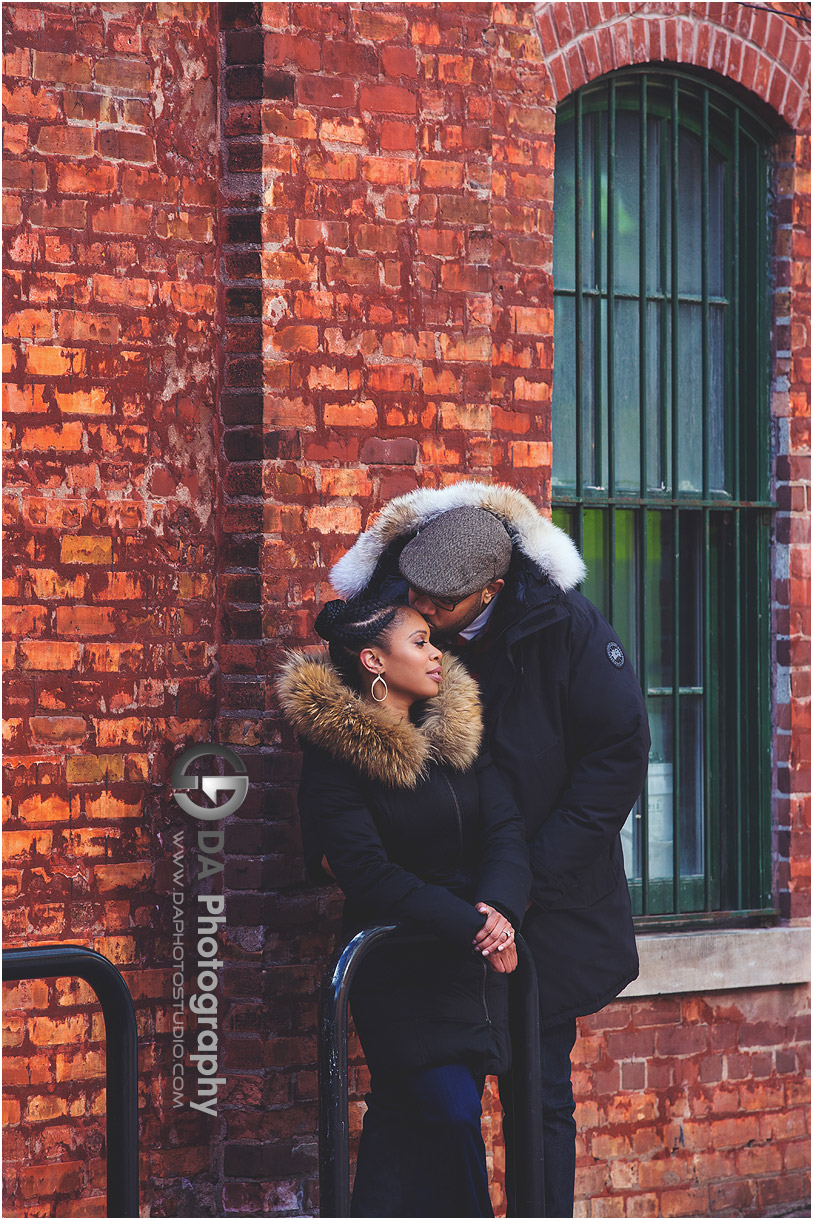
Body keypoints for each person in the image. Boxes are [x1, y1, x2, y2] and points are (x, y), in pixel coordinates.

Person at [329, 481, 651, 1218]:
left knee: (539, 1093)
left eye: (441, 605)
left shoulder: (565, 626)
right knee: (432, 1100)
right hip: (435, 909)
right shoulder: (397, 613)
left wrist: (522, 884)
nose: (425, 613)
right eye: (416, 597)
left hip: (549, 898)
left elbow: (616, 755)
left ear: (491, 592)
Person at [276, 596, 531, 1218]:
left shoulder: (458, 733)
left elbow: (505, 828)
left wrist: (498, 909)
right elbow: (366, 871)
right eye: (420, 642)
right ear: (374, 661)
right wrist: (473, 926)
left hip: (465, 965)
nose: (437, 653)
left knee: (404, 1121)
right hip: (398, 966)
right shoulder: (337, 755)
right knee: (448, 1110)